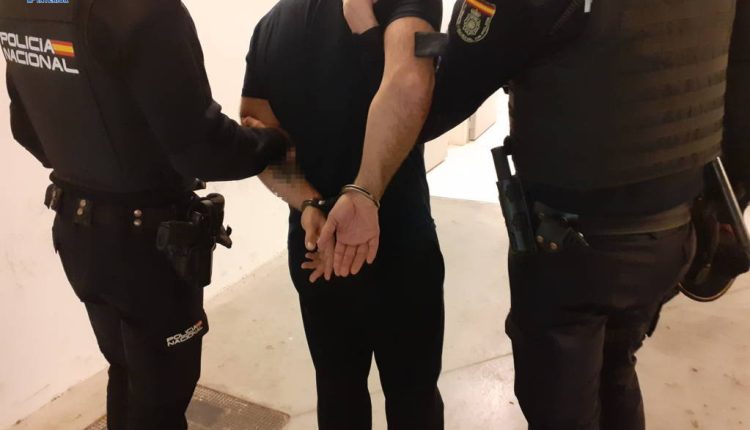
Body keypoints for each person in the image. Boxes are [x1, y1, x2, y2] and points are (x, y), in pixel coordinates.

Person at [342, 0, 750, 429]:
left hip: (573, 248)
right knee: (615, 368)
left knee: (559, 406)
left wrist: (374, 36)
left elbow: (432, 102)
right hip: (675, 231)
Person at [0, 0, 289, 429]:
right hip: (149, 249)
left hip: (78, 233)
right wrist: (273, 142)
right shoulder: (146, 10)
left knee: (127, 371)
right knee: (162, 399)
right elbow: (202, 148)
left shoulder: (20, 8)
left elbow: (27, 131)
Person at [239, 0, 445, 428]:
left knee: (338, 391)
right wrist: (363, 192)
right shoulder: (400, 5)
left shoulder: (270, 26)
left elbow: (255, 132)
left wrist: (309, 202)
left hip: (317, 245)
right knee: (413, 395)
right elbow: (411, 85)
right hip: (396, 240)